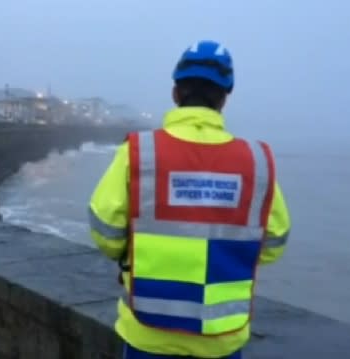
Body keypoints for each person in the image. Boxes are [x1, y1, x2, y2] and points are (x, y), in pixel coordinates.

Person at [88, 40, 291, 359]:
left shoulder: (141, 152)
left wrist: (140, 251)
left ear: (176, 92)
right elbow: (274, 242)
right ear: (225, 97)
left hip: (148, 334)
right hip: (221, 340)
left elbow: (105, 231)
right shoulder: (256, 162)